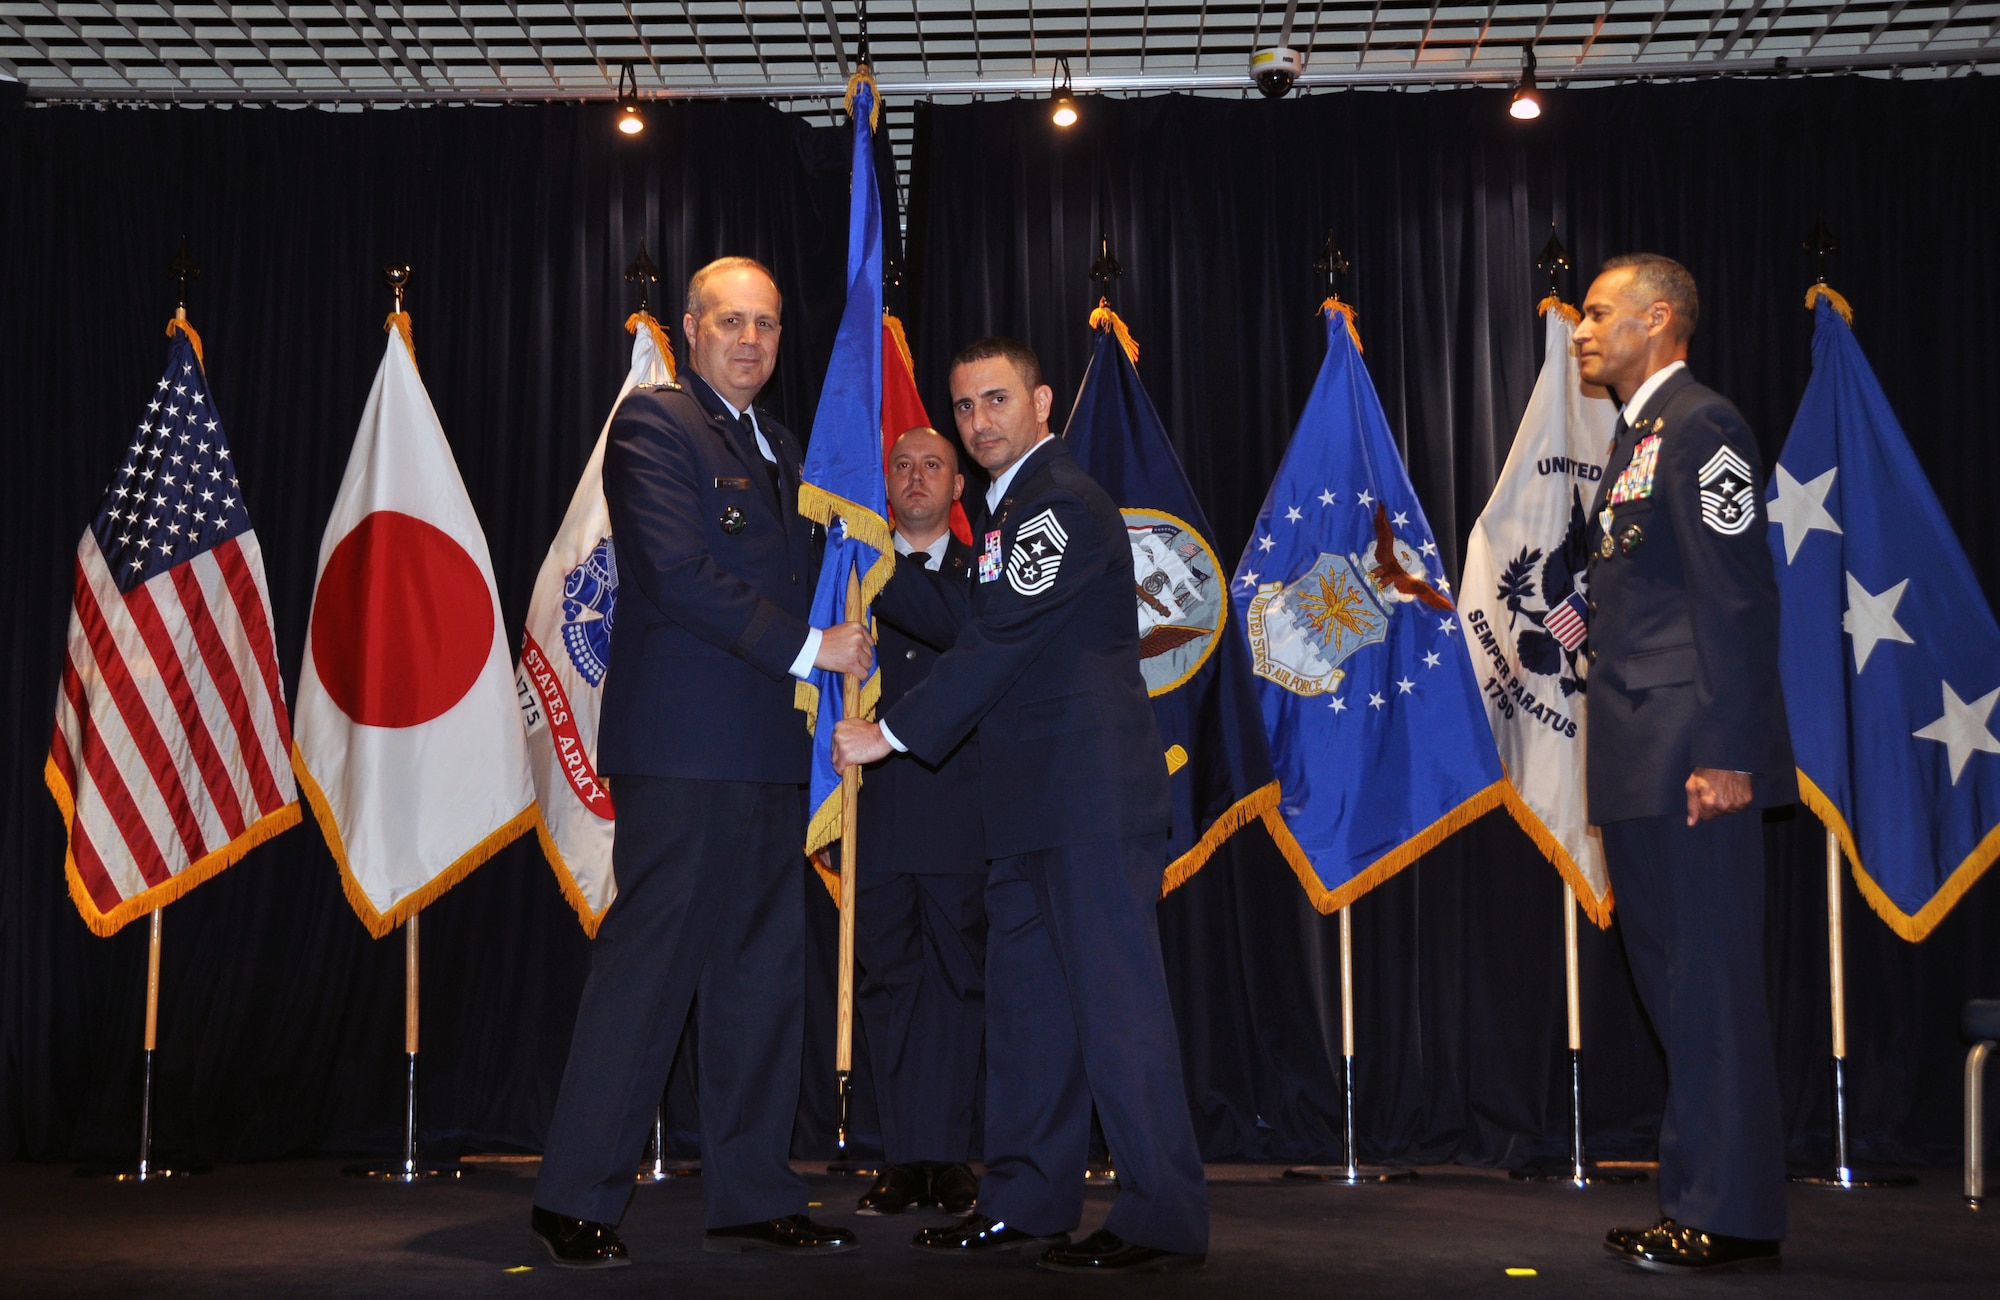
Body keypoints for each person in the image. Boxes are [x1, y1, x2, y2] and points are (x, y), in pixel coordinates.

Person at [832, 337, 1209, 1275]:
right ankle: (1028, 1200)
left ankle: (1162, 1217)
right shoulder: (1007, 521)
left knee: (1118, 1015)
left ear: (1042, 403)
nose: (979, 422)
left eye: (996, 401)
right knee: (1030, 1020)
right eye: (965, 408)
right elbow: (981, 628)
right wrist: (873, 591)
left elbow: (994, 646)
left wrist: (892, 733)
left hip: (1085, 806)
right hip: (1028, 811)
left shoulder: (1060, 505)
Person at [529, 256, 874, 1267]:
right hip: (681, 753)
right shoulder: (654, 426)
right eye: (731, 320)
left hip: (768, 752)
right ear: (689, 327)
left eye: (765, 323)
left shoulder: (783, 445)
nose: (752, 340)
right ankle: (574, 1197)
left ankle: (753, 1190)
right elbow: (677, 574)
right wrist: (813, 650)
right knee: (648, 974)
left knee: (760, 978)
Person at [1573, 254, 1795, 1275]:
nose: (1581, 331)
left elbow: (1735, 598)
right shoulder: (1637, 436)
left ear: (1657, 321)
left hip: (1688, 756)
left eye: (1596, 314)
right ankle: (1696, 1195)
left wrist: (1726, 754)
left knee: (1704, 984)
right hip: (1636, 750)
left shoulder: (1700, 426)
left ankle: (1731, 1210)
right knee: (1671, 986)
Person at [849, 427, 986, 1219]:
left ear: (958, 486)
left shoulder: (980, 574)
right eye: (901, 466)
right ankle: (902, 1160)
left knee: (958, 987)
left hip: (956, 808)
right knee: (888, 985)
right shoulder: (842, 582)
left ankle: (950, 1157)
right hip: (873, 811)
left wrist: (868, 561)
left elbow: (963, 634)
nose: (915, 478)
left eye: (933, 465)